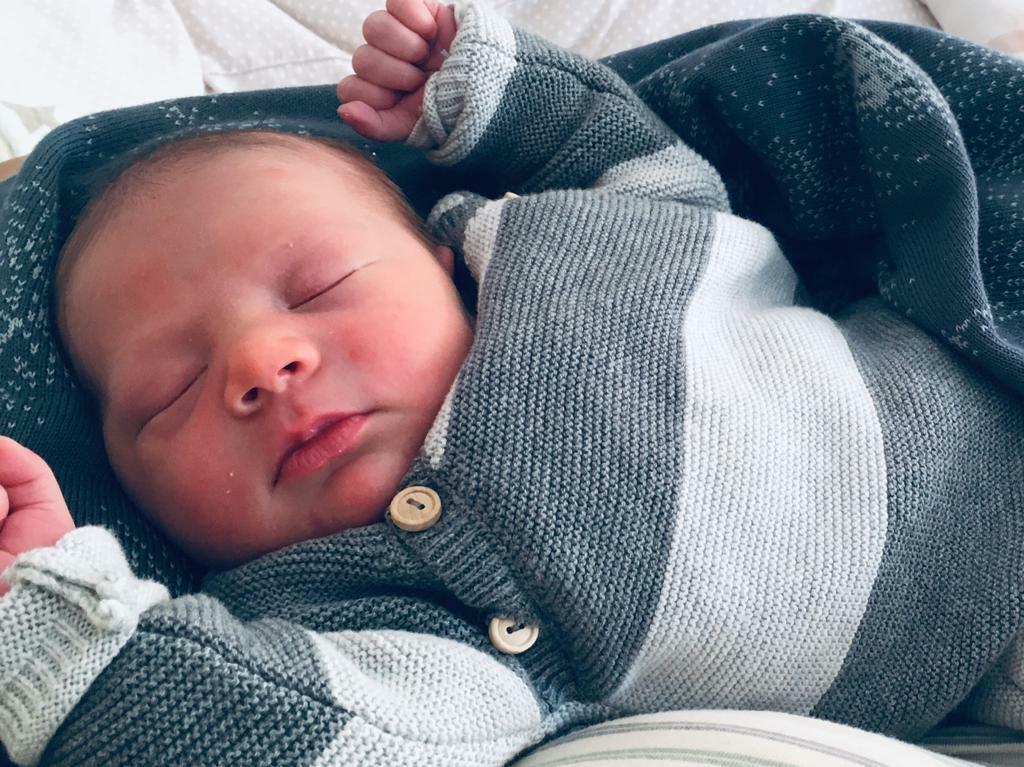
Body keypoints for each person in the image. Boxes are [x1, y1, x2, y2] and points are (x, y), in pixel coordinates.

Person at [2, 0, 1024, 764]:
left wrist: (492, 90)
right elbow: (271, 732)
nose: (261, 365)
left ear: (442, 260)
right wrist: (52, 627)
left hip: (981, 389)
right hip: (974, 677)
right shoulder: (344, 614)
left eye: (318, 288)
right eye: (172, 391)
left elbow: (642, 154)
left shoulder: (558, 245)